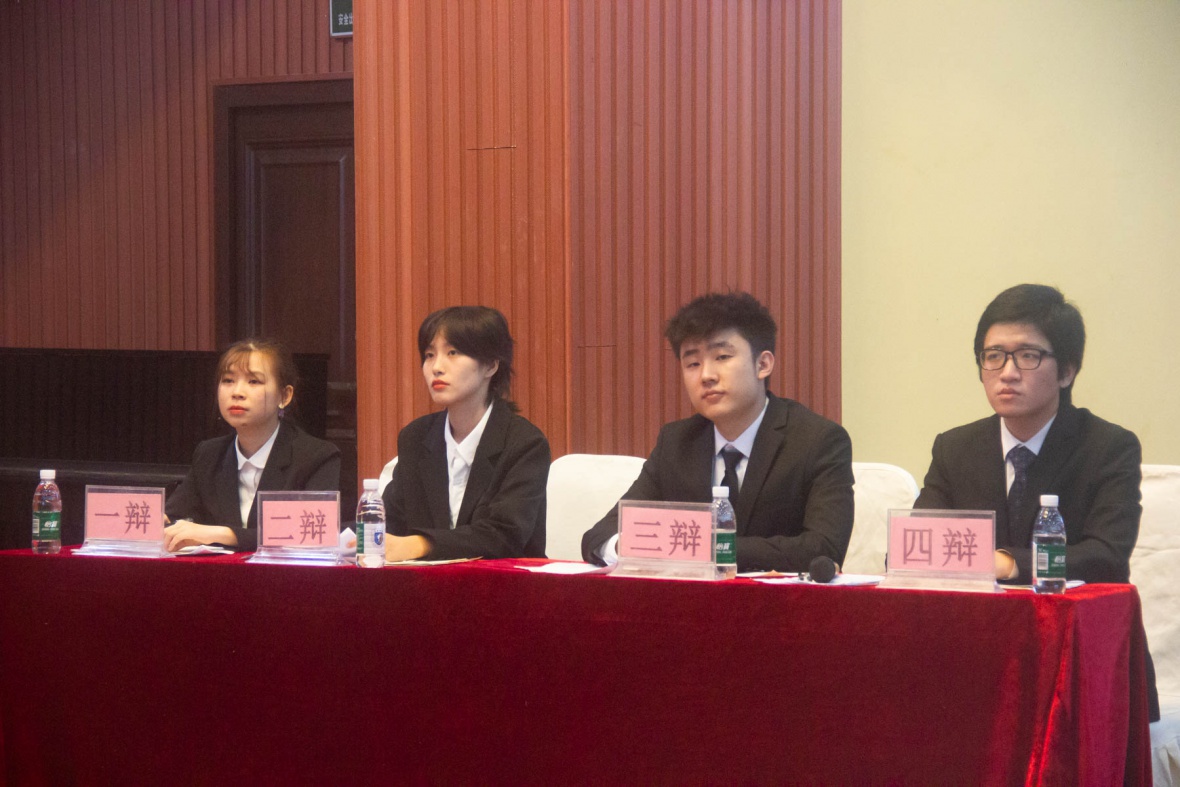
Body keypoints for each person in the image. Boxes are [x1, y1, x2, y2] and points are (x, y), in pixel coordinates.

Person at [914, 283, 1159, 721]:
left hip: (1083, 666)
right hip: (980, 664)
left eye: (1028, 356)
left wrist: (1009, 563)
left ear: (1067, 371)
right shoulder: (955, 448)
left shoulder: (1107, 447)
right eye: (993, 356)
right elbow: (917, 549)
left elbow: (1104, 556)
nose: (1007, 372)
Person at [581, 292, 854, 572]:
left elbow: (824, 548)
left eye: (722, 357)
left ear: (763, 364)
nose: (706, 376)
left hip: (780, 599)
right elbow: (599, 537)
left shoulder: (818, 440)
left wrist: (699, 547)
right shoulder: (676, 444)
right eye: (693, 364)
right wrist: (635, 546)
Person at [381, 306, 549, 561]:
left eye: (453, 353)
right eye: (429, 355)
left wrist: (421, 544)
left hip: (506, 582)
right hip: (426, 583)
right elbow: (390, 521)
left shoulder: (524, 443)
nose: (436, 367)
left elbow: (504, 536)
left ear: (491, 365)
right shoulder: (416, 437)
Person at [164, 339, 341, 552]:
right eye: (228, 380)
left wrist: (226, 534)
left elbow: (312, 532)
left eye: (254, 381)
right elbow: (174, 518)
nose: (237, 392)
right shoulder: (209, 454)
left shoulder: (317, 457)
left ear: (284, 396)